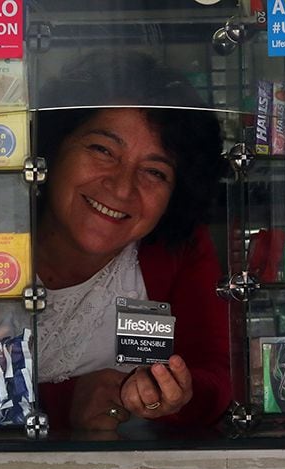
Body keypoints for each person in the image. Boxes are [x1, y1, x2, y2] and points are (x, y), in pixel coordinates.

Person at [34, 52, 232, 432]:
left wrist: (170, 396)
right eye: (102, 150)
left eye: (154, 172)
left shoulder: (177, 250)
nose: (122, 187)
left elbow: (217, 378)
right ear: (54, 148)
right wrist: (69, 402)